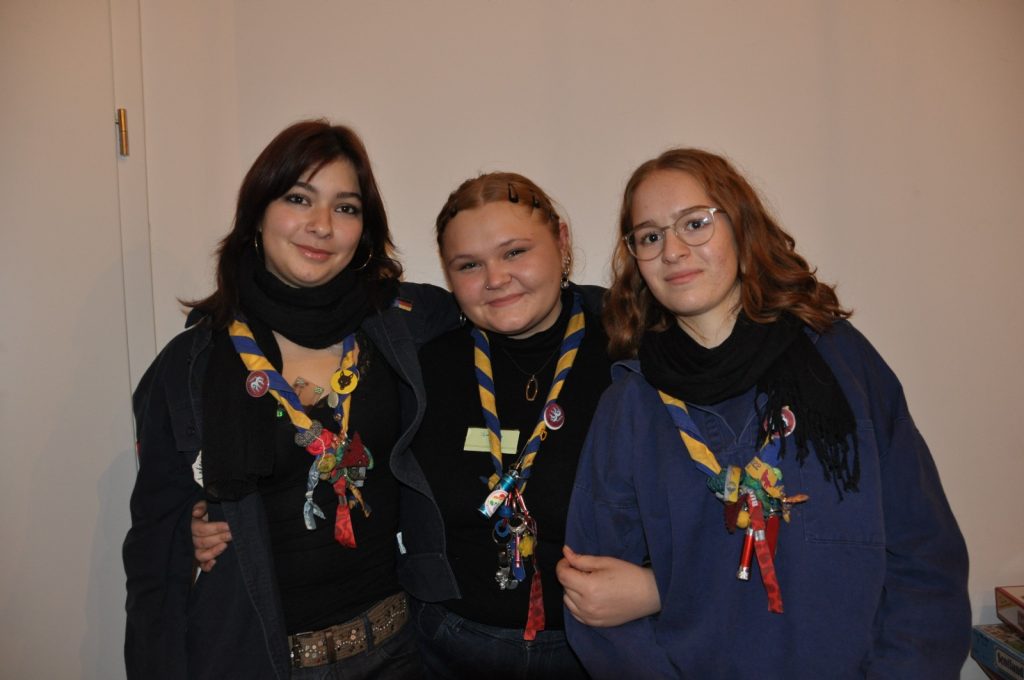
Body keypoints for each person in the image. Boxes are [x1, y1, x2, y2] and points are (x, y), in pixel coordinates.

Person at [561, 149, 971, 679]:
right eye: (650, 236)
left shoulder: (840, 362)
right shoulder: (630, 406)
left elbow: (924, 555)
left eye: (695, 223)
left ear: (742, 226)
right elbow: (593, 598)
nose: (674, 250)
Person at [123, 120, 456, 679]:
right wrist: (190, 527)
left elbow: (507, 302)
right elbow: (155, 557)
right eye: (299, 198)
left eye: (346, 207)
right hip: (261, 662)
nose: (321, 225)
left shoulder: (404, 325)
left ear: (364, 231)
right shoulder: (191, 367)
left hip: (400, 652)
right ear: (257, 214)